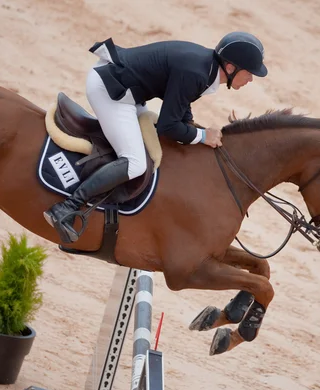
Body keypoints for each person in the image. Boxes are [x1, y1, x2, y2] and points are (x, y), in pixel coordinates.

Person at [44, 31, 268, 243]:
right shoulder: (197, 73)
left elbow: (182, 104)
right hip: (111, 91)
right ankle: (67, 207)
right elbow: (168, 126)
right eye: (249, 73)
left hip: (127, 86)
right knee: (135, 164)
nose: (250, 79)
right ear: (230, 67)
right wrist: (202, 135)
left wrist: (194, 128)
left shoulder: (205, 66)